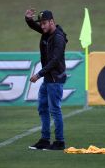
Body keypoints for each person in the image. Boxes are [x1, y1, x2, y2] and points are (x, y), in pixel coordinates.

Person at [25, 8, 68, 150]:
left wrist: (39, 74)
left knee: (55, 110)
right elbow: (34, 26)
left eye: (44, 23)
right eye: (41, 23)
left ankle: (60, 142)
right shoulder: (47, 32)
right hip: (48, 79)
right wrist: (28, 19)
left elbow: (55, 61)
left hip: (55, 79)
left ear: (52, 22)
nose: (42, 26)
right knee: (42, 108)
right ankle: (44, 139)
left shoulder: (58, 38)